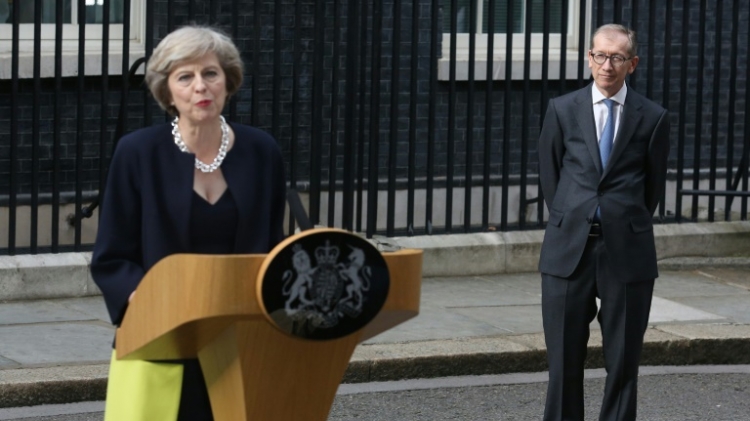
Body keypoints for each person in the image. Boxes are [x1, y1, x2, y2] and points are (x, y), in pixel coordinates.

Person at [90, 25, 286, 421]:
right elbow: (113, 257)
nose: (201, 87)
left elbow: (273, 247)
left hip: (240, 338)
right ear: (168, 91)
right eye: (186, 77)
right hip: (162, 335)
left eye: (210, 73)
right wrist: (146, 300)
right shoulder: (138, 153)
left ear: (228, 81)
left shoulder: (261, 150)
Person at [537, 23, 670, 421]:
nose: (606, 65)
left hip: (627, 255)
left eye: (616, 57)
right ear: (588, 58)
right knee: (563, 363)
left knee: (624, 365)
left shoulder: (654, 117)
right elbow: (551, 175)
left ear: (633, 63)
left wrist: (620, 220)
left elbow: (652, 187)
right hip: (568, 252)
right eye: (599, 55)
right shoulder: (562, 109)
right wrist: (575, 216)